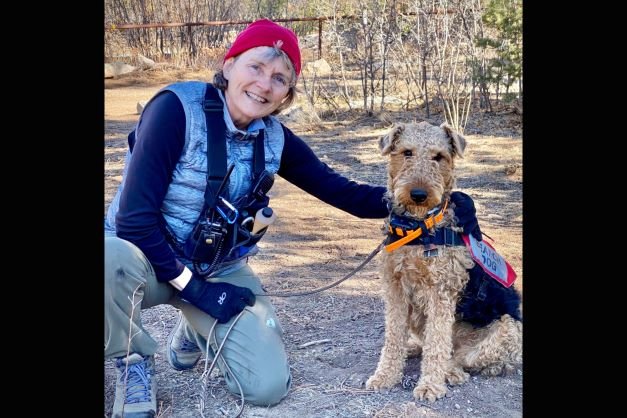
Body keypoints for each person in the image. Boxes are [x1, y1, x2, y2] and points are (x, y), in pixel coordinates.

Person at [104, 18, 482, 417]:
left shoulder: (274, 137)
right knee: (108, 258)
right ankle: (132, 362)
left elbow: (340, 191)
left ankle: (195, 331)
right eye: (256, 67)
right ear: (229, 65)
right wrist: (196, 291)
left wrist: (428, 205)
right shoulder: (174, 110)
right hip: (145, 258)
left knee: (266, 387)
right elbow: (134, 221)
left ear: (287, 94)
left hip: (215, 266)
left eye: (280, 78)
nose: (264, 85)